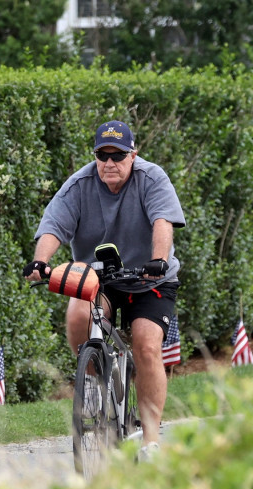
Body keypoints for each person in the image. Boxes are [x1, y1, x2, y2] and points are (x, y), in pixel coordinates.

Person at [23, 120, 185, 460]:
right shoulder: (80, 184)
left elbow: (162, 222)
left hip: (149, 278)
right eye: (102, 155)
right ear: (95, 155)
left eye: (118, 155)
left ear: (133, 155)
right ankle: (97, 387)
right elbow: (54, 226)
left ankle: (150, 441)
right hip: (101, 278)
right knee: (78, 317)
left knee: (145, 344)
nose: (110, 163)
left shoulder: (152, 178)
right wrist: (40, 262)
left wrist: (157, 260)